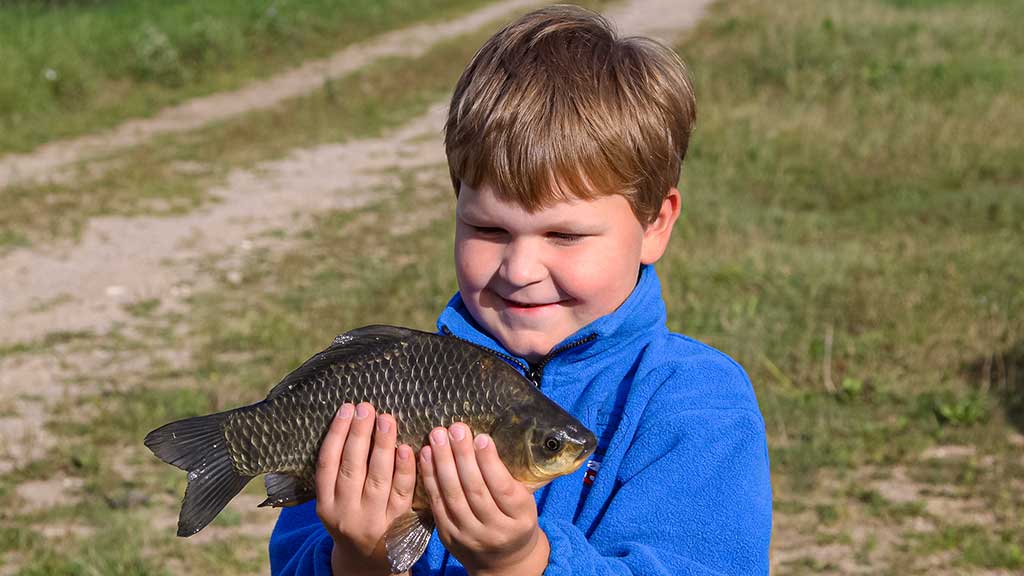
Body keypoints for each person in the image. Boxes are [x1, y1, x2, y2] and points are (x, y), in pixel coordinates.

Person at [269, 5, 772, 575]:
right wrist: (359, 557)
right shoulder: (395, 384)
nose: (521, 267)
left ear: (655, 223)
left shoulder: (695, 401)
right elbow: (292, 562)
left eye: (564, 234)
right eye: (488, 229)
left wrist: (524, 562)